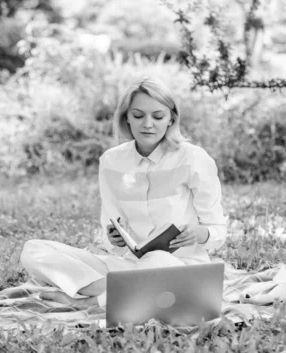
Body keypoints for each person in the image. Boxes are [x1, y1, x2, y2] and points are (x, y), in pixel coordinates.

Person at [19, 77, 227, 307]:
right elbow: (112, 226)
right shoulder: (111, 161)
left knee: (157, 259)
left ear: (171, 119)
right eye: (138, 115)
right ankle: (117, 289)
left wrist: (201, 234)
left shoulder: (194, 158)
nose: (147, 124)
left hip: (180, 267)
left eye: (157, 116)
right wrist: (114, 238)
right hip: (130, 267)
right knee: (34, 250)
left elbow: (218, 230)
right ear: (126, 117)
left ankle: (89, 302)